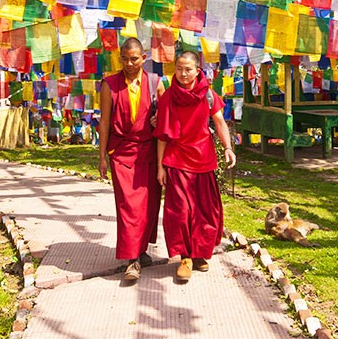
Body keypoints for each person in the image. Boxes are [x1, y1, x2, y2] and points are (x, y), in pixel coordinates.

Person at [154, 51, 236, 282]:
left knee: (204, 211)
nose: (183, 74)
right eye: (179, 69)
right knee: (179, 211)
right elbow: (162, 134)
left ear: (197, 70)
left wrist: (228, 147)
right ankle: (185, 257)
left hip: (203, 158)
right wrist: (160, 167)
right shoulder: (169, 95)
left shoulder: (208, 94)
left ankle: (200, 254)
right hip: (177, 159)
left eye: (188, 69)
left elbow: (219, 122)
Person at [99, 38, 163, 281]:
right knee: (128, 206)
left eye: (134, 59)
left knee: (148, 205)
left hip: (149, 151)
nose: (129, 63)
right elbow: (104, 122)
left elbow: (164, 114)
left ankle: (142, 249)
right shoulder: (110, 85)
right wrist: (102, 156)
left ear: (143, 58)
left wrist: (158, 121)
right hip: (122, 152)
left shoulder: (155, 82)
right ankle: (132, 259)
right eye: (124, 59)